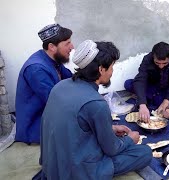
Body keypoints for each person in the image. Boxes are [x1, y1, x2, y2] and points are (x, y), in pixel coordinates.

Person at [40, 40, 152, 179]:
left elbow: (73, 126)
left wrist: (109, 129)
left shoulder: (60, 86)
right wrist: (130, 139)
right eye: (111, 67)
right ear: (101, 69)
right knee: (144, 152)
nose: (112, 72)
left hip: (52, 164)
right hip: (79, 171)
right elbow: (112, 149)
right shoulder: (96, 103)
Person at [15, 24, 74, 144]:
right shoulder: (36, 69)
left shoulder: (52, 59)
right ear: (52, 47)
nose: (72, 47)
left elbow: (71, 79)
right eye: (67, 43)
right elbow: (56, 102)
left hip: (51, 112)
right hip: (36, 125)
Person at [124, 42, 169, 122]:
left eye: (165, 63)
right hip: (153, 86)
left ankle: (149, 98)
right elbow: (140, 79)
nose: (161, 66)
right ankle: (146, 98)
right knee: (128, 84)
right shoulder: (147, 59)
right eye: (157, 63)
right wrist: (142, 104)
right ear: (153, 57)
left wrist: (167, 99)